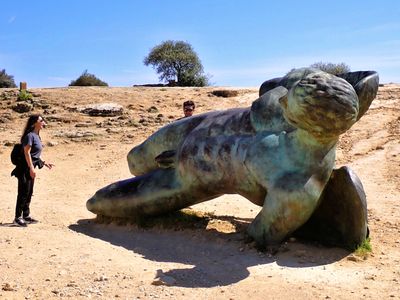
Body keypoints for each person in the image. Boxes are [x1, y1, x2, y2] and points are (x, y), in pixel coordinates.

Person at [11, 114, 54, 227]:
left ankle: (26, 215)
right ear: (35, 123)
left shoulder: (37, 136)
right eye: (41, 120)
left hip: (30, 167)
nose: (44, 122)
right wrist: (31, 168)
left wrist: (45, 163)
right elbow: (27, 152)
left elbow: (35, 155)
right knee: (23, 192)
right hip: (24, 168)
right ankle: (17, 217)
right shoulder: (30, 136)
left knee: (29, 192)